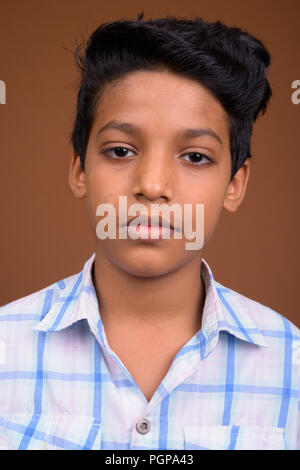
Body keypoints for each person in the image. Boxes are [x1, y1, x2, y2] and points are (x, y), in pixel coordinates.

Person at [0, 12, 299, 450]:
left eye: (195, 156)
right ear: (80, 169)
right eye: (120, 150)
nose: (153, 186)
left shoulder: (291, 366)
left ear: (235, 184)